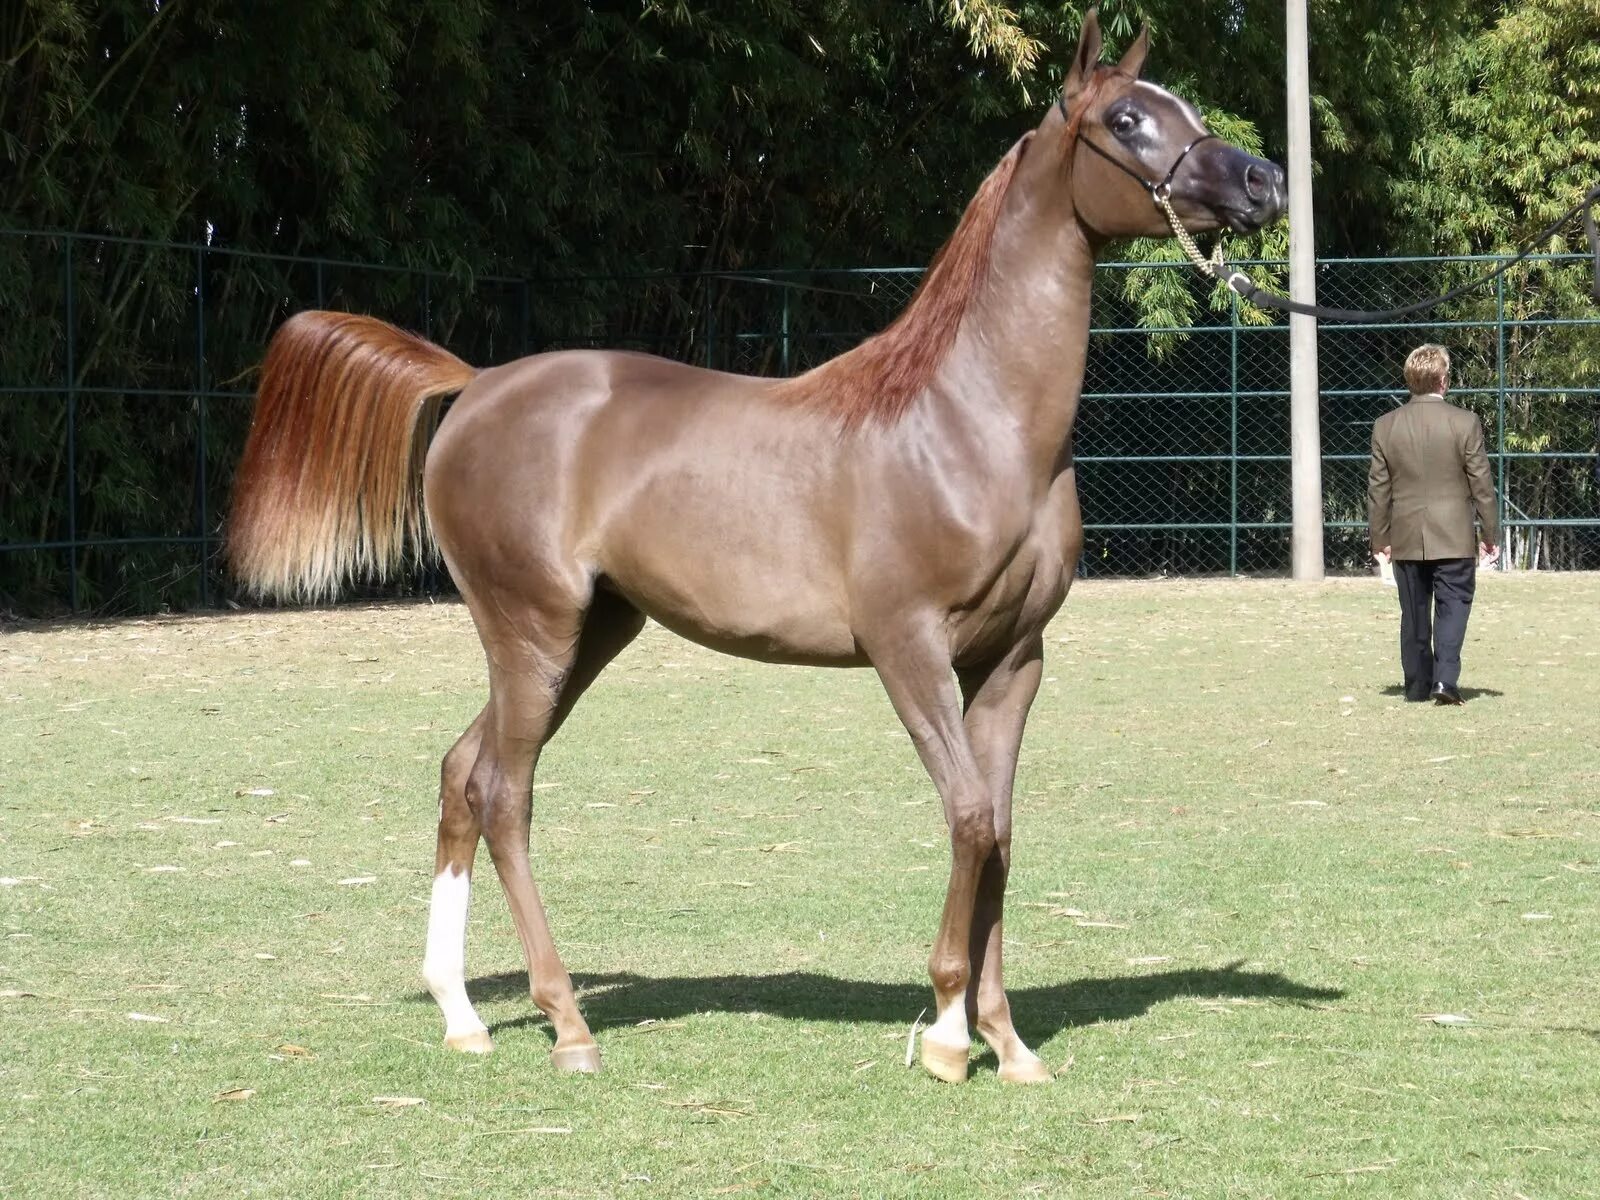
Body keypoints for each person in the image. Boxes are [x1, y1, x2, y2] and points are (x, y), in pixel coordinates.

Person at [1368, 344, 1499, 705]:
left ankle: (1416, 686)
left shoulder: (1385, 426)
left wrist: (1380, 538)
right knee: (1453, 606)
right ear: (1443, 380)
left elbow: (1379, 490)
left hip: (1406, 536)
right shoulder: (1464, 422)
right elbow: (1481, 485)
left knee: (1413, 614)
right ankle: (1445, 681)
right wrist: (1490, 533)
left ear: (1410, 380)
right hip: (1454, 536)